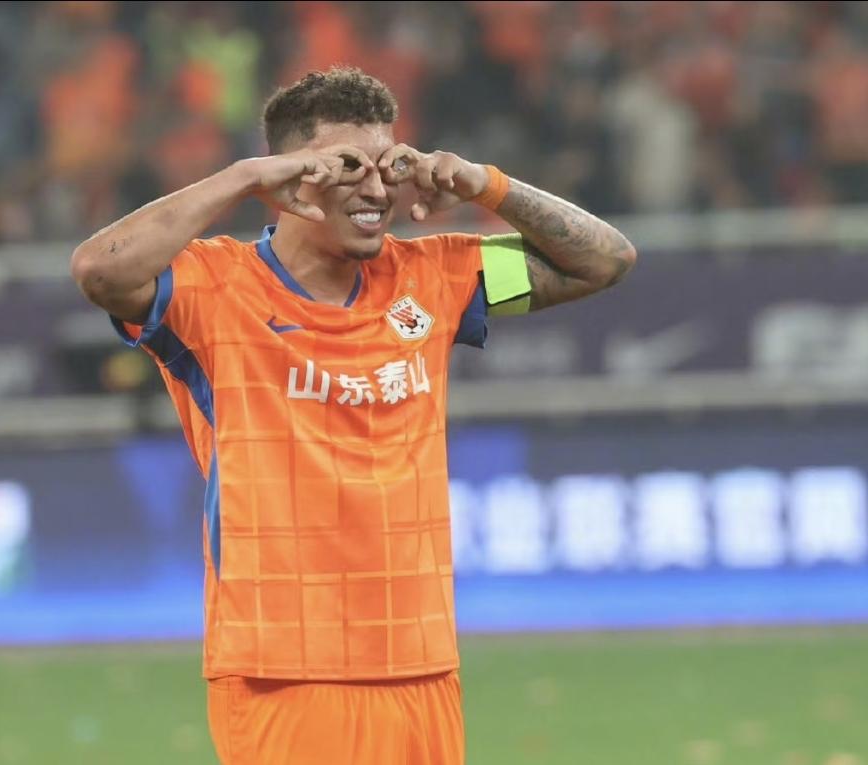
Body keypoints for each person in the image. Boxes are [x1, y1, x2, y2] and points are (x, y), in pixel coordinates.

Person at [72, 66, 636, 765]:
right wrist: (244, 177)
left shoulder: (437, 276)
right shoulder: (213, 288)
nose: (375, 189)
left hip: (421, 661)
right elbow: (100, 270)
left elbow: (603, 261)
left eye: (387, 165)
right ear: (292, 176)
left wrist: (483, 184)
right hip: (285, 669)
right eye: (346, 167)